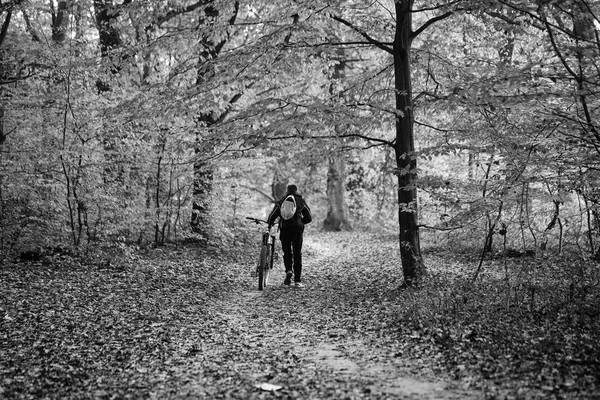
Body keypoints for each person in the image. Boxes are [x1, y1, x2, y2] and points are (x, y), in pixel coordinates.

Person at [267, 184, 312, 288]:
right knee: (297, 253)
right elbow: (309, 218)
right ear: (296, 191)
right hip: (297, 229)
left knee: (287, 252)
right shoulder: (301, 201)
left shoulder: (281, 201)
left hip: (285, 228)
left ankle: (288, 270)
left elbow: (272, 215)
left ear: (287, 191)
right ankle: (297, 281)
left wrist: (270, 224)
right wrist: (300, 222)